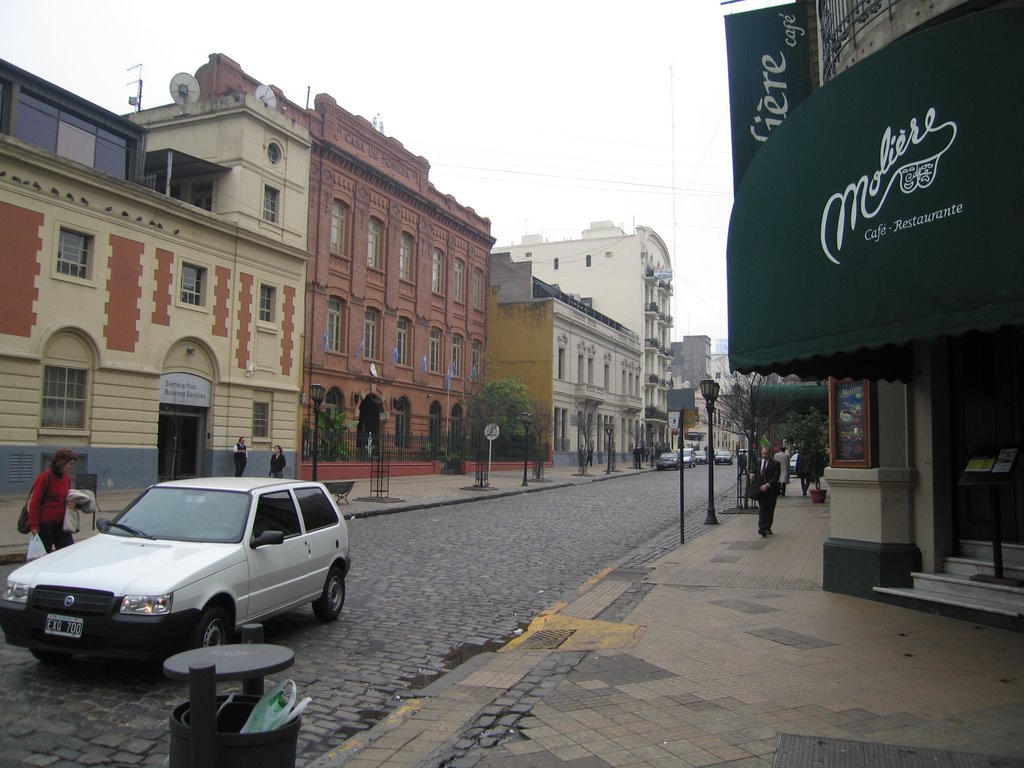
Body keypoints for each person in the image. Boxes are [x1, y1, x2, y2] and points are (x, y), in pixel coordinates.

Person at [28, 448, 77, 553]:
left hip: (62, 523)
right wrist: (34, 526)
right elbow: (35, 503)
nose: (72, 467)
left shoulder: (66, 478)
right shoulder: (45, 477)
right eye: (70, 464)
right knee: (44, 555)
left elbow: (65, 497)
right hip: (45, 524)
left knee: (67, 552)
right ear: (62, 463)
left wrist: (72, 504)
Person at [750, 445, 781, 537]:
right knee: (763, 509)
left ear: (769, 453)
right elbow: (755, 470)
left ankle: (767, 527)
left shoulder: (775, 463)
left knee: (770, 509)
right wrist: (751, 473)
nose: (765, 455)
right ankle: (761, 528)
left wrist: (768, 485)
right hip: (761, 490)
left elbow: (776, 476)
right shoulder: (758, 462)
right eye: (763, 453)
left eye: (766, 453)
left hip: (771, 490)